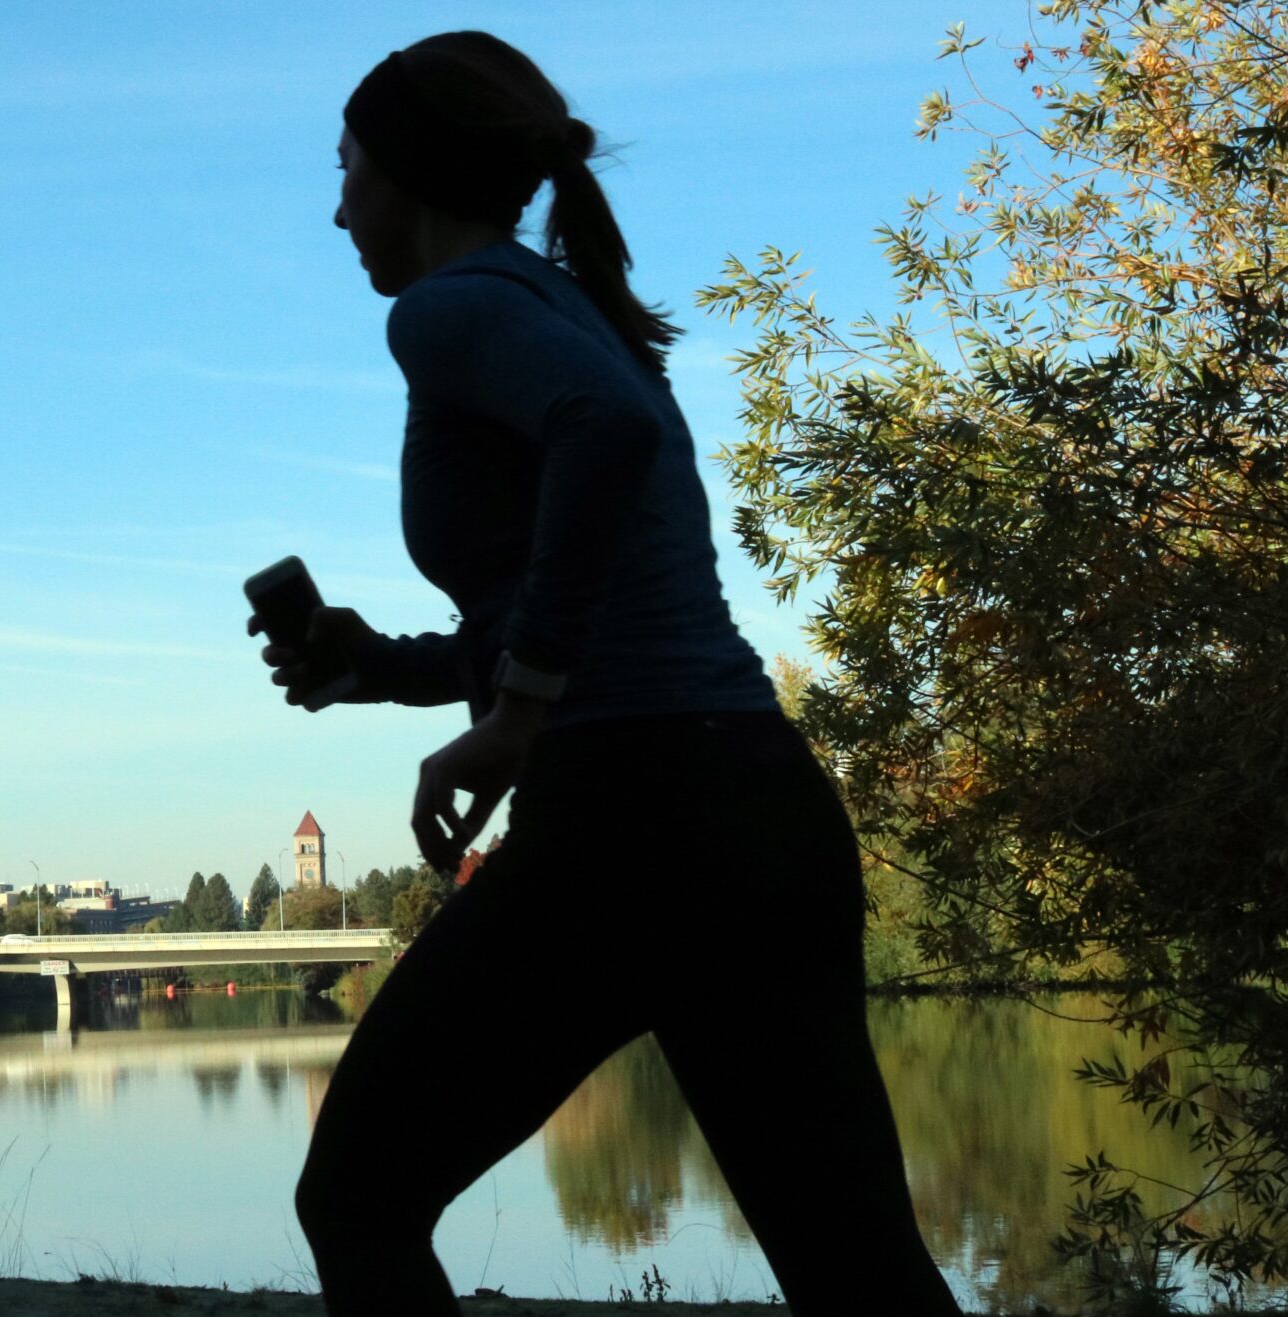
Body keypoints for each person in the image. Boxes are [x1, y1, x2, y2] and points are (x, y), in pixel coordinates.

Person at [248, 32, 964, 1316]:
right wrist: (378, 669)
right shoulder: (557, 307)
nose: (336, 202)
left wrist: (516, 715)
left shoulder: (453, 306)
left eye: (345, 167)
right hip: (753, 808)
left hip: (633, 821)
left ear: (403, 175)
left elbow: (608, 437)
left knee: (356, 1195)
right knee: (858, 1271)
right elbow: (594, 590)